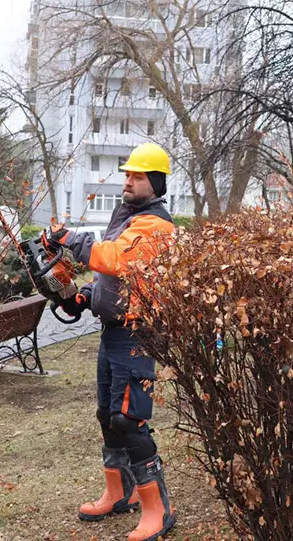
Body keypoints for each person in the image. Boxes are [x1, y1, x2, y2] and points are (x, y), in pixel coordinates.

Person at [45, 142, 176, 541]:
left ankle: (158, 509)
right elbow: (112, 277)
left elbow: (117, 258)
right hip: (112, 331)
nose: (128, 181)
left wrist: (71, 239)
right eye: (127, 174)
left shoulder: (156, 225)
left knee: (129, 420)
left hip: (137, 334)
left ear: (155, 182)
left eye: (137, 176)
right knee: (108, 415)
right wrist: (84, 295)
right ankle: (120, 494)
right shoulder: (128, 215)